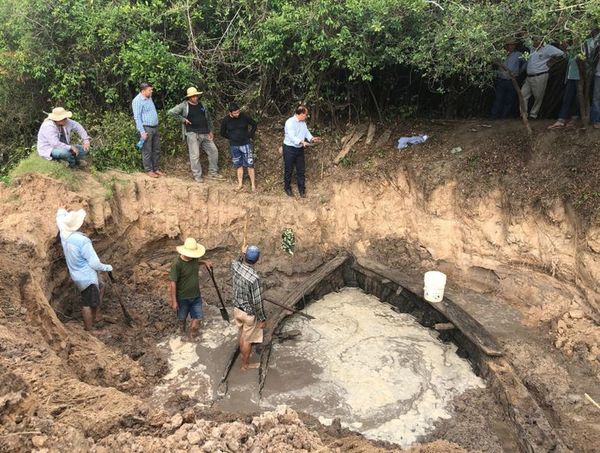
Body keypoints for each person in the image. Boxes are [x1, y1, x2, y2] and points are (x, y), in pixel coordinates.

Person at [56, 208, 113, 331]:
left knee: (101, 286)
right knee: (87, 303)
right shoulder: (82, 241)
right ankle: (89, 331)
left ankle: (97, 314)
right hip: (87, 278)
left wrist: (67, 216)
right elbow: (94, 264)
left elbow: (60, 212)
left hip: (76, 273)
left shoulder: (63, 231)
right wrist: (107, 267)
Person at [168, 87, 224, 182]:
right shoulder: (184, 105)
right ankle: (197, 175)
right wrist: (183, 120)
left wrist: (211, 130)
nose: (195, 98)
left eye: (196, 96)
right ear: (189, 97)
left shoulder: (202, 105)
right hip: (192, 133)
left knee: (214, 151)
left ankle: (213, 173)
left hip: (205, 132)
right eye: (193, 96)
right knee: (195, 155)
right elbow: (171, 112)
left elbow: (208, 118)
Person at [169, 237, 211, 339]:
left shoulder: (194, 258)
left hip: (196, 296)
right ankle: (181, 331)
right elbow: (173, 283)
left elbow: (195, 263)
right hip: (182, 297)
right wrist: (174, 301)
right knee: (182, 318)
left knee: (197, 318)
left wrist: (204, 262)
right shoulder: (177, 264)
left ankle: (192, 337)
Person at [231, 245, 265, 370]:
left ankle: (244, 356)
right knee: (247, 340)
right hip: (249, 314)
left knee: (242, 335)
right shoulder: (254, 278)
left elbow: (236, 260)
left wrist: (241, 253)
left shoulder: (235, 267)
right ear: (257, 260)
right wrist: (262, 318)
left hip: (237, 309)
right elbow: (257, 301)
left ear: (245, 256)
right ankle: (245, 365)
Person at [282, 105, 321, 198]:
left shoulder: (303, 123)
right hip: (289, 148)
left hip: (299, 149)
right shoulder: (290, 122)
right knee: (289, 169)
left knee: (301, 170)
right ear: (300, 114)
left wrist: (312, 139)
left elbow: (306, 132)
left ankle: (302, 189)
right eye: (305, 114)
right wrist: (302, 141)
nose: (306, 116)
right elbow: (292, 136)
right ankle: (287, 188)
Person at [521, 38, 564, 119]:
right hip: (529, 76)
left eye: (537, 40)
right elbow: (524, 38)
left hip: (540, 75)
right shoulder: (531, 47)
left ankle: (533, 115)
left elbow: (561, 54)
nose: (535, 42)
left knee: (538, 97)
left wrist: (551, 62)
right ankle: (524, 114)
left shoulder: (548, 48)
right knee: (522, 95)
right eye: (534, 40)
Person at [220, 102, 258, 192]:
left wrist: (250, 134)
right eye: (235, 113)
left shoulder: (244, 116)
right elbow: (222, 132)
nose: (237, 114)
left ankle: (253, 185)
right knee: (238, 165)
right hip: (234, 146)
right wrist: (231, 137)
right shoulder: (226, 120)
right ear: (230, 113)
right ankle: (240, 184)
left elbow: (254, 124)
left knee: (250, 164)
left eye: (238, 112)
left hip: (246, 144)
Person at [132, 82, 163, 178]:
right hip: (146, 128)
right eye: (150, 90)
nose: (151, 91)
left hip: (155, 127)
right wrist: (142, 132)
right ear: (143, 91)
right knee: (147, 150)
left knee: (156, 149)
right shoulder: (137, 101)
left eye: (151, 89)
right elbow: (137, 117)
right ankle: (148, 170)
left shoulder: (149, 98)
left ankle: (155, 168)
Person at [548, 42, 581, 129]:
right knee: (567, 98)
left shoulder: (584, 46)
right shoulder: (573, 49)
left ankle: (573, 119)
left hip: (580, 77)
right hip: (571, 77)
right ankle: (561, 120)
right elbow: (569, 62)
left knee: (577, 100)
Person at [491, 39, 523, 119]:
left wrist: (519, 72)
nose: (510, 46)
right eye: (508, 45)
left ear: (515, 46)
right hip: (501, 79)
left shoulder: (519, 54)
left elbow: (526, 63)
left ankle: (504, 117)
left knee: (509, 99)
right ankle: (494, 116)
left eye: (512, 45)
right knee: (498, 98)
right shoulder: (501, 54)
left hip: (512, 80)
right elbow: (493, 60)